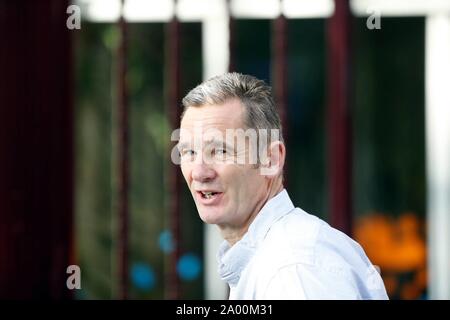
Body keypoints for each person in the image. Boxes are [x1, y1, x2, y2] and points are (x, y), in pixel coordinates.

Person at [177, 72, 388, 300]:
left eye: (220, 151)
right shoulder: (282, 260)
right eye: (189, 152)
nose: (198, 172)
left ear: (271, 160)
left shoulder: (293, 270)